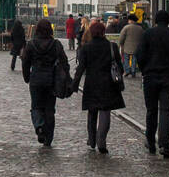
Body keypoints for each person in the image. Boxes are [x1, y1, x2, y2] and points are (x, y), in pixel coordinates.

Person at [135, 8, 169, 159]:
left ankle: (150, 141)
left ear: (155, 21)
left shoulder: (147, 35)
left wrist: (145, 69)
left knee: (151, 110)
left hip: (150, 77)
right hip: (168, 77)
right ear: (168, 21)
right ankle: (164, 144)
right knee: (166, 111)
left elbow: (140, 55)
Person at [72, 18, 125, 153]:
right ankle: (101, 140)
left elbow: (81, 68)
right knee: (105, 112)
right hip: (108, 84)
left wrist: (74, 85)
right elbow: (120, 66)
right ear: (103, 32)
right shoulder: (112, 47)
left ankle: (92, 139)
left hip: (92, 83)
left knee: (92, 111)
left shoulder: (86, 48)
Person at [21, 18, 70, 147]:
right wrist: (66, 77)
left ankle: (39, 126)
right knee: (49, 108)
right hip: (51, 79)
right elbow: (64, 62)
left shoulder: (31, 45)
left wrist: (27, 77)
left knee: (36, 106)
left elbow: (25, 62)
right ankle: (48, 137)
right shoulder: (56, 44)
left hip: (36, 79)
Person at [118, 13, 144, 78]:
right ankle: (133, 71)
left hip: (127, 47)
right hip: (136, 48)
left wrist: (121, 44)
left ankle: (127, 71)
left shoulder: (126, 27)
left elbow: (121, 37)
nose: (128, 21)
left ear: (131, 20)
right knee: (134, 60)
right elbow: (143, 37)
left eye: (129, 20)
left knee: (126, 59)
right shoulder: (140, 28)